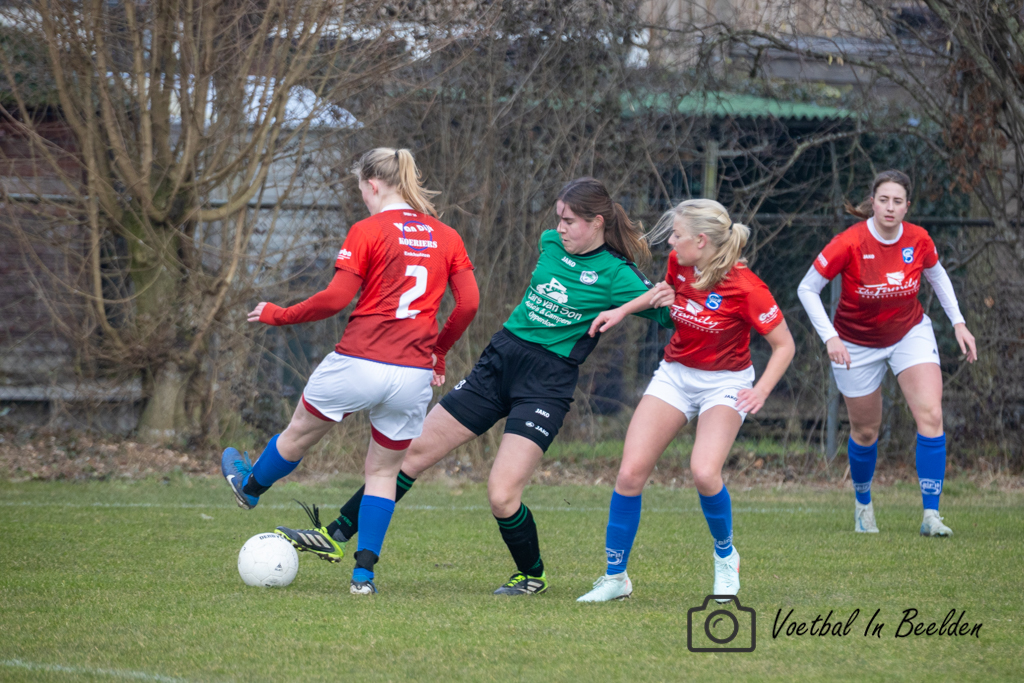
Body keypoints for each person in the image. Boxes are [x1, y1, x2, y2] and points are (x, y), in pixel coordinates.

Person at [275, 177, 674, 596]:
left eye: (569, 221)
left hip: (546, 384)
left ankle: (531, 575)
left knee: (502, 495)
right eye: (558, 218)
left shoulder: (617, 274)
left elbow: (667, 314)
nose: (559, 228)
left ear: (597, 223)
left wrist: (651, 299)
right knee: (410, 453)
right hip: (498, 363)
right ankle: (335, 534)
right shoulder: (550, 244)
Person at [221, 147, 479, 595]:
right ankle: (363, 577)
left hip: (359, 362)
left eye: (361, 187)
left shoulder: (368, 230)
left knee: (298, 435)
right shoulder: (446, 235)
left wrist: (279, 314)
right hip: (412, 374)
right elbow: (469, 303)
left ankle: (251, 486)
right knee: (382, 474)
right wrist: (438, 352)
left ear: (372, 184)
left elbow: (335, 298)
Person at [577, 198, 795, 603]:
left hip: (725, 382)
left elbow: (785, 345)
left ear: (701, 240)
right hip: (676, 374)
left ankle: (726, 557)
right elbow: (664, 293)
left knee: (704, 472)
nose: (671, 242)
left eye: (677, 235)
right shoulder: (680, 263)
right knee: (629, 474)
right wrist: (622, 310)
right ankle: (615, 577)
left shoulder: (748, 288)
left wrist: (761, 390)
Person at [797, 170, 977, 537]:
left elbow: (938, 276)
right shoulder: (849, 242)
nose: (890, 207)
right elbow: (807, 288)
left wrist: (958, 322)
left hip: (909, 332)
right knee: (865, 431)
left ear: (907, 206)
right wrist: (831, 337)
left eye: (897, 201)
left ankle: (931, 515)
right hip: (855, 344)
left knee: (931, 414)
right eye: (883, 200)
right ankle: (863, 506)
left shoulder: (918, 239)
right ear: (873, 202)